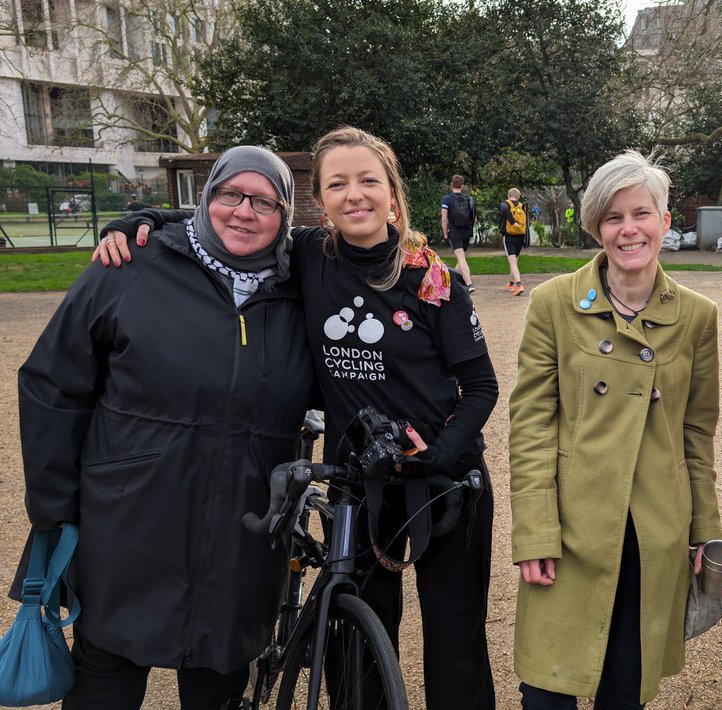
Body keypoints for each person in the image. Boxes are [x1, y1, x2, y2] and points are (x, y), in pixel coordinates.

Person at [95, 127, 500, 710]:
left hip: (445, 482)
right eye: (338, 183)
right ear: (321, 197)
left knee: (455, 640)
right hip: (361, 481)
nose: (354, 194)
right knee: (355, 641)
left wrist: (436, 455)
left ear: (393, 192)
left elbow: (481, 387)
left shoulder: (432, 277)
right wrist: (141, 221)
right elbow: (230, 216)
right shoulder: (309, 255)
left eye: (368, 181)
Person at [18, 146, 313, 709]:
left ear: (285, 216)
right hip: (128, 515)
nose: (244, 212)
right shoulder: (131, 265)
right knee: (106, 670)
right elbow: (51, 382)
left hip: (241, 523)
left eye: (264, 202)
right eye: (230, 194)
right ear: (206, 197)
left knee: (220, 678)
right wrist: (55, 507)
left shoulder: (300, 288)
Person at [509, 150, 722, 709]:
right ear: (596, 227)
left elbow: (696, 436)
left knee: (623, 691)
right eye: (613, 217)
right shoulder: (554, 304)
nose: (628, 229)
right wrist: (534, 530)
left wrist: (705, 534)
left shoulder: (697, 316)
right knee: (546, 691)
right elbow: (531, 424)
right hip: (570, 527)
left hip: (654, 530)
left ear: (664, 221)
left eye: (641, 213)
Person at [442, 174, 477, 292]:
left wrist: (445, 232)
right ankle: (453, 282)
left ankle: (469, 284)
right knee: (460, 258)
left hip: (455, 231)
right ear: (462, 186)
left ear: (452, 184)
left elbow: (444, 218)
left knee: (461, 258)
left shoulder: (447, 199)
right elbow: (474, 218)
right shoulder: (469, 199)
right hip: (466, 231)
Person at [500, 187, 529, 296]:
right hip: (520, 237)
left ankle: (519, 285)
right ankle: (511, 284)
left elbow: (503, 210)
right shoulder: (522, 206)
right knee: (515, 261)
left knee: (512, 263)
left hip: (509, 236)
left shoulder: (505, 204)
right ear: (518, 196)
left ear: (508, 195)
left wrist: (512, 222)